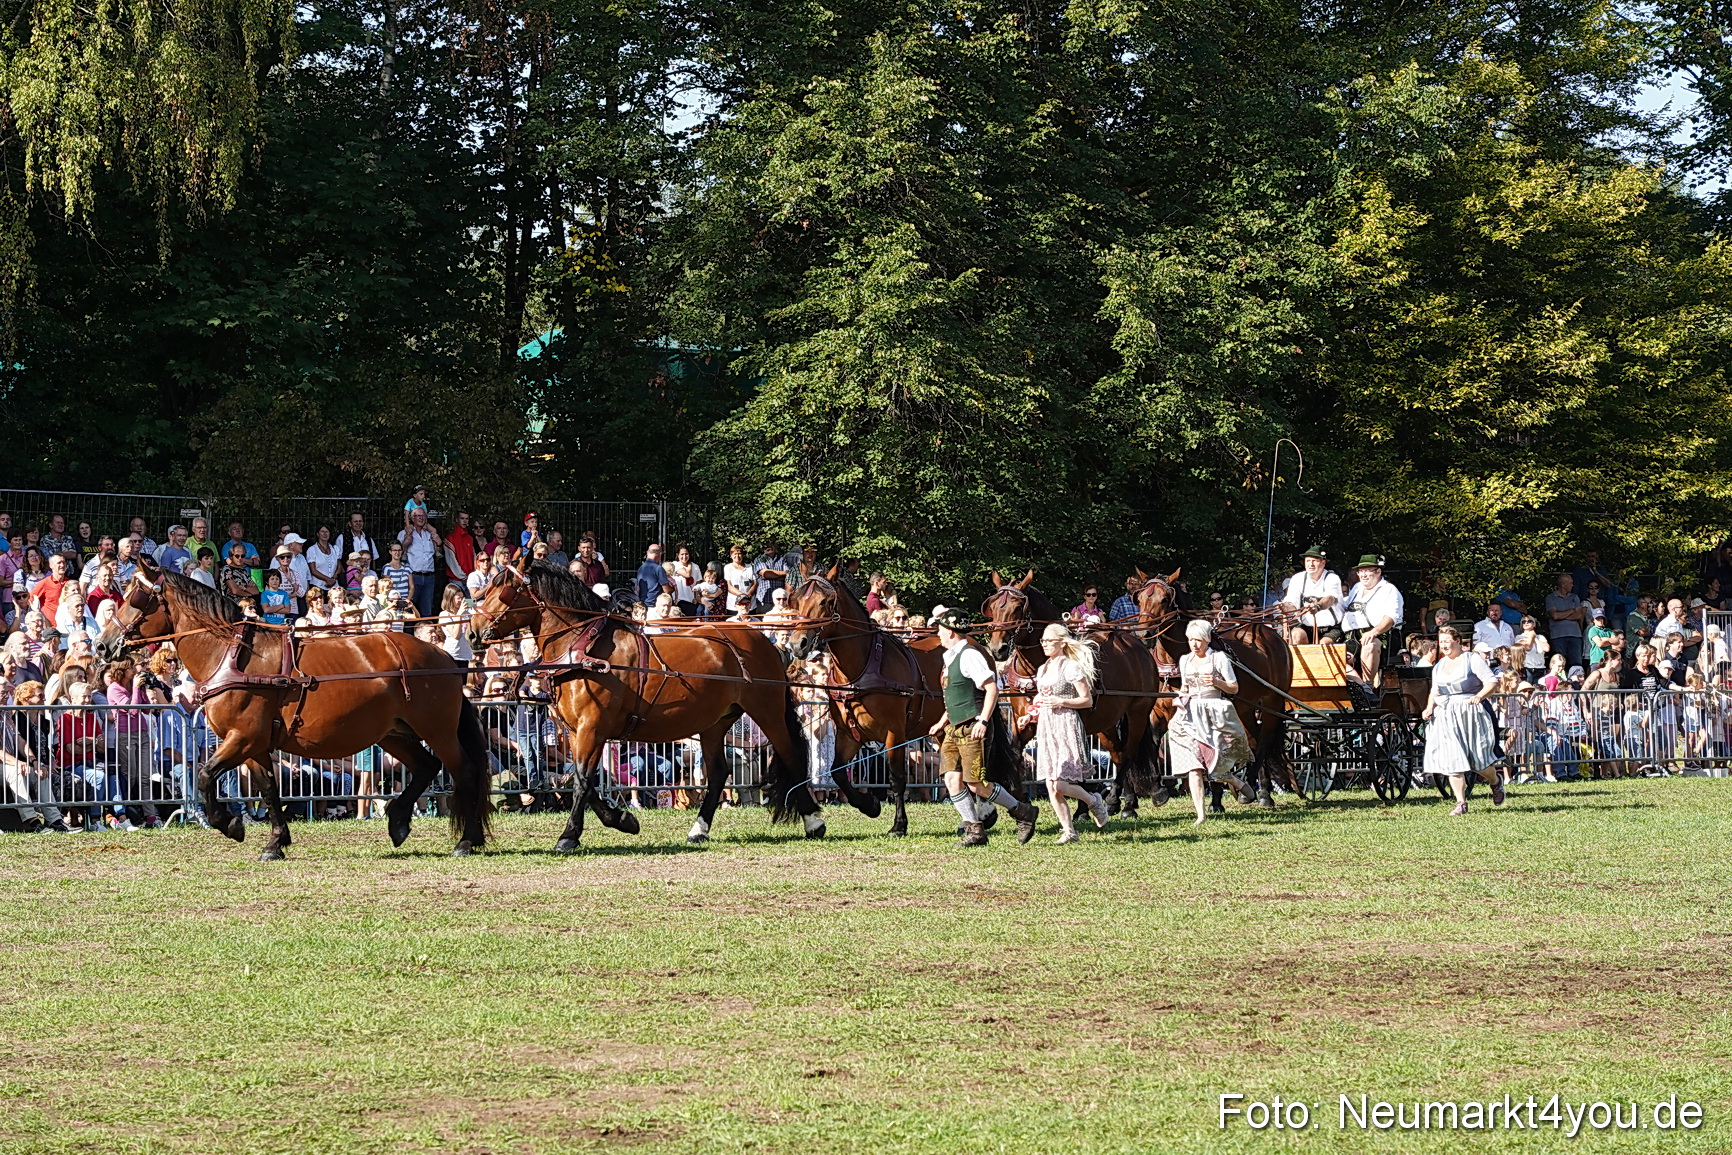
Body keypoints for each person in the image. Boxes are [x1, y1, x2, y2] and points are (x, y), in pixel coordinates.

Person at [927, 609, 1036, 846]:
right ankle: (974, 831)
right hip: (954, 728)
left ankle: (1022, 811)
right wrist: (942, 721)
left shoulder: (969, 656)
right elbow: (958, 694)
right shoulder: (950, 657)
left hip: (972, 728)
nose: (939, 634)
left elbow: (991, 688)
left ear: (951, 631)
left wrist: (984, 720)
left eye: (941, 629)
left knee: (976, 783)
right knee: (951, 780)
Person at [1166, 618, 1253, 823]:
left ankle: (1236, 782)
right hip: (1189, 715)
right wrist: (1179, 696)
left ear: (1207, 640)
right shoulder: (1184, 660)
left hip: (1213, 713)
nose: (1194, 644)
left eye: (1198, 640)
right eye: (1190, 640)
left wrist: (1216, 681)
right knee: (1194, 767)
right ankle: (1200, 815)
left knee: (1215, 767)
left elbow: (1234, 688)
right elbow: (1186, 688)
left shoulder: (1219, 658)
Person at [1031, 623, 1108, 843]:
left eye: (1048, 641)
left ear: (1061, 643)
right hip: (1047, 725)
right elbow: (1042, 699)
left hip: (1066, 724)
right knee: (1050, 784)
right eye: (1043, 641)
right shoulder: (1043, 669)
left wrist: (1061, 701)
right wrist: (1032, 713)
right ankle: (1069, 831)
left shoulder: (1071, 667)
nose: (1044, 644)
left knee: (1060, 784)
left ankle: (1093, 800)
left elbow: (1087, 700)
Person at [1421, 625, 1505, 815]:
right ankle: (1461, 803)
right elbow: (1435, 690)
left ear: (1457, 641)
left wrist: (1480, 696)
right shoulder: (1439, 665)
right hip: (1447, 714)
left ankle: (1495, 782)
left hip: (1471, 713)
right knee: (1453, 758)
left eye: (1447, 641)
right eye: (1441, 642)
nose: (1444, 645)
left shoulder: (1471, 659)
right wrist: (1429, 707)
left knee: (1479, 761)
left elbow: (1491, 682)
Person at [1341, 554, 1404, 691]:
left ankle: (1368, 686)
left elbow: (1391, 618)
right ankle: (1361, 687)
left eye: (1367, 570)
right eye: (1361, 571)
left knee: (1369, 645)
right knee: (1335, 657)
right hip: (1352, 637)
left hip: (1381, 636)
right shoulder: (1356, 588)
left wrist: (1373, 632)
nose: (1363, 575)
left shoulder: (1389, 590)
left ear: (1378, 572)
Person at [1279, 546, 1344, 644]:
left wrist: (1318, 606)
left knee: (1324, 645)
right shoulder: (1297, 578)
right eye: (1308, 561)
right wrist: (1285, 608)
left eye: (1315, 561)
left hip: (1330, 628)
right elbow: (1292, 603)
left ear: (1323, 563)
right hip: (1306, 626)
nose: (1311, 564)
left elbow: (1330, 599)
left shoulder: (1332, 578)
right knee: (1296, 635)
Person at [398, 509, 442, 619]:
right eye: (418, 516)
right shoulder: (404, 533)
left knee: (427, 610)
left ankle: (425, 633)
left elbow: (439, 554)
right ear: (412, 518)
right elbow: (396, 554)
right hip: (413, 576)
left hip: (429, 576)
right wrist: (406, 544)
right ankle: (409, 635)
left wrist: (439, 543)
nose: (421, 518)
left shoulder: (430, 535)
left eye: (423, 516)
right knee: (410, 609)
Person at [1544, 573, 1586, 670]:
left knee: (1576, 664)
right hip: (1558, 636)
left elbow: (1579, 615)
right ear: (1563, 584)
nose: (1572, 585)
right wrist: (1571, 611)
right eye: (1570, 583)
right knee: (1559, 663)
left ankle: (1576, 683)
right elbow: (1554, 615)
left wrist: (1561, 615)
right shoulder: (1551, 598)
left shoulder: (1574, 597)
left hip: (1575, 635)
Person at [444, 510, 477, 587]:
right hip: (456, 579)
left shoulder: (469, 538)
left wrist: (473, 575)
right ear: (457, 519)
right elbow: (451, 561)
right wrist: (463, 576)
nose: (465, 521)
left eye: (467, 518)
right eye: (462, 518)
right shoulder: (450, 538)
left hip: (470, 579)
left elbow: (474, 557)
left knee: (470, 599)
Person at [635, 542, 673, 607]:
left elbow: (638, 589)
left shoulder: (641, 568)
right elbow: (667, 590)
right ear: (660, 554)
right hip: (655, 605)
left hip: (643, 605)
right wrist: (673, 588)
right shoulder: (658, 569)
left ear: (647, 553)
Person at [722, 544, 755, 614]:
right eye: (735, 554)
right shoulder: (728, 568)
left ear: (743, 555)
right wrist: (742, 596)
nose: (737, 556)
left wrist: (748, 594)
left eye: (739, 553)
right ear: (731, 556)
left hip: (750, 605)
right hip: (733, 605)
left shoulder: (750, 567)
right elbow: (729, 585)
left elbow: (755, 583)